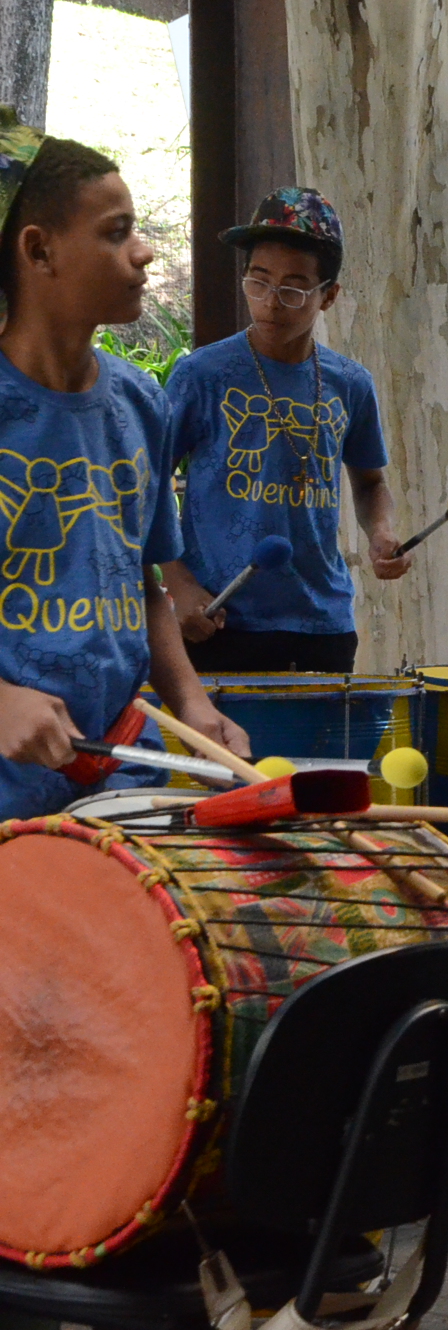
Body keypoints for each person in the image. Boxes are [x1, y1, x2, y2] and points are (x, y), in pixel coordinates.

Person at [0, 114, 250, 818]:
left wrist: (192, 705)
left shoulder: (140, 401)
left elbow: (142, 582)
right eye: (116, 232)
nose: (143, 252)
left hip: (116, 767)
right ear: (39, 250)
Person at [160, 189, 405, 672]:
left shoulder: (350, 383)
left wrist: (381, 532)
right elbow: (146, 485)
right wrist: (179, 583)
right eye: (258, 281)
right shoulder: (201, 376)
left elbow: (370, 483)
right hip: (219, 618)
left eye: (294, 289)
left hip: (323, 623)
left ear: (328, 296)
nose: (271, 303)